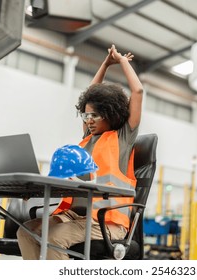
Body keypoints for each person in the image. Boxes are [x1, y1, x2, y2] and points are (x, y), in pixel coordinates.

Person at [16, 44, 144, 260]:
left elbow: (138, 92)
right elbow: (91, 93)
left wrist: (121, 61)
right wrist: (104, 64)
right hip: (73, 216)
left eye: (95, 116)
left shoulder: (123, 137)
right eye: (86, 116)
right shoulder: (87, 138)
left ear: (111, 113)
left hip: (107, 223)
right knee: (25, 231)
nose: (89, 121)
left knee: (54, 238)